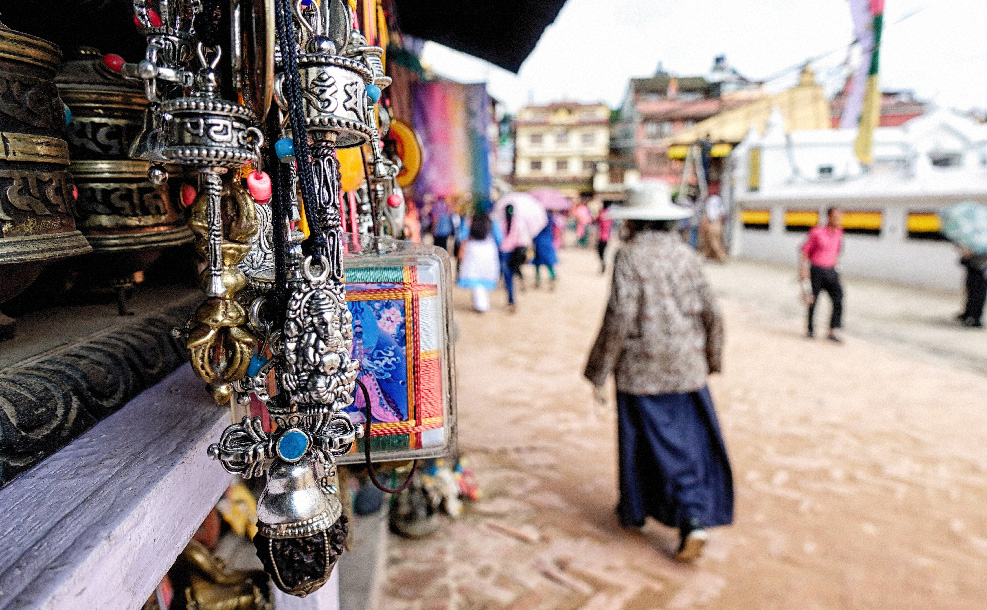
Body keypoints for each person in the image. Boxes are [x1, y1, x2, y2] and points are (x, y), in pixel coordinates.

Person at [584, 180, 733, 562]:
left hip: (640, 371)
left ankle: (653, 514)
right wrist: (712, 359)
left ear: (633, 221)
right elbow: (713, 313)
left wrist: (599, 371)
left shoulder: (629, 257)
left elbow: (618, 318)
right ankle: (681, 516)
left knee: (643, 446)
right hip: (686, 368)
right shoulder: (687, 256)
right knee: (686, 445)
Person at [800, 207, 844, 342]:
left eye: (839, 216)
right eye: (835, 216)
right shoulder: (817, 232)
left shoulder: (839, 233)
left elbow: (837, 252)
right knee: (813, 300)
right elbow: (805, 251)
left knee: (838, 299)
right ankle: (810, 330)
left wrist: (837, 270)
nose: (837, 219)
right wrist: (804, 270)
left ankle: (832, 331)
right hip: (816, 270)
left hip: (831, 271)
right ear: (828, 217)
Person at [457, 210, 502, 313]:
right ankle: (481, 304)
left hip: (473, 249)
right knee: (484, 277)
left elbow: (462, 236)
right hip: (489, 249)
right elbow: (499, 238)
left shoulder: (470, 218)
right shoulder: (492, 219)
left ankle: (480, 304)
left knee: (474, 277)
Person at [958, 248, 987, 328]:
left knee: (978, 294)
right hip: (975, 266)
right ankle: (969, 314)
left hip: (981, 268)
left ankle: (975, 318)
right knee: (972, 292)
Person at [532, 211, 559, 288]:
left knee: (537, 262)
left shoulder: (539, 218)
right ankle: (552, 277)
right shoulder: (550, 218)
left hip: (539, 242)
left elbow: (535, 230)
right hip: (548, 241)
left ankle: (538, 280)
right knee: (548, 262)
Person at [699, 194, 728, 262]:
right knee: (711, 242)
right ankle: (706, 256)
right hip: (719, 227)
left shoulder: (709, 209)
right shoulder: (720, 208)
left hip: (711, 226)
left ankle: (722, 256)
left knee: (714, 242)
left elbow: (705, 219)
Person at [596, 203, 613, 274]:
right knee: (603, 251)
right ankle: (603, 263)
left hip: (601, 236)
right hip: (607, 236)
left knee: (600, 251)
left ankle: (603, 263)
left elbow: (597, 220)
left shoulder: (602, 213)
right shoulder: (609, 214)